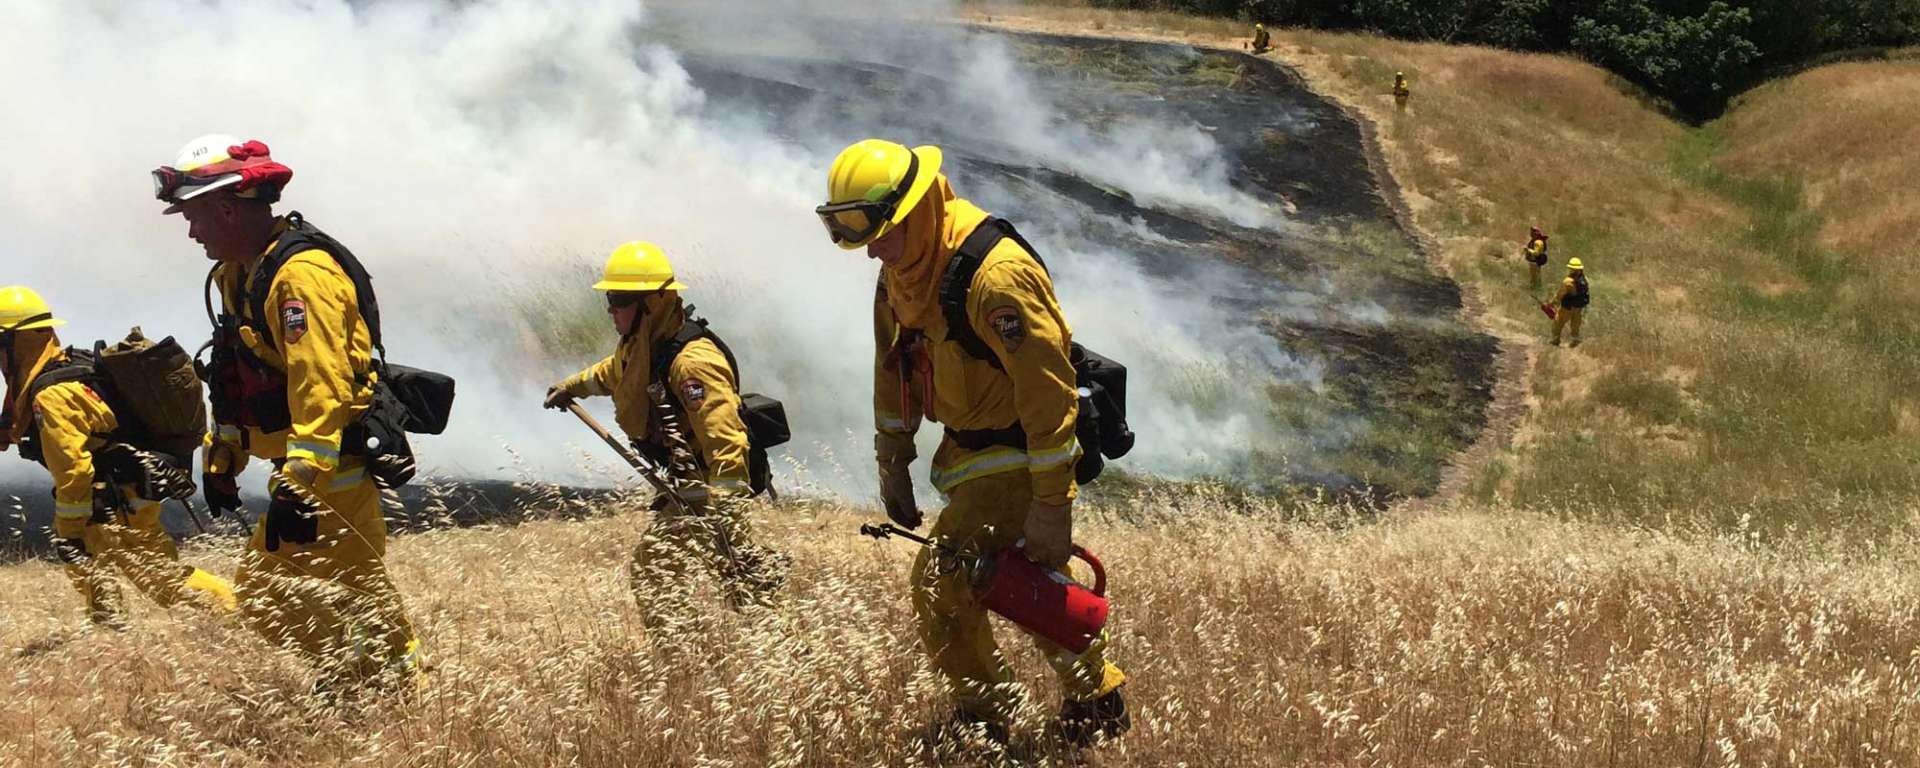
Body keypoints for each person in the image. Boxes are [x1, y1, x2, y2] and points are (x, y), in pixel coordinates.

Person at [816, 139, 1129, 748]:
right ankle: (1098, 696)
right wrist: (893, 464)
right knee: (1025, 582)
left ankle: (986, 719)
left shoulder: (995, 275)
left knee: (940, 583)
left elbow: (1048, 396)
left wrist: (1050, 505)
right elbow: (893, 370)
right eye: (860, 238)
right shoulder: (900, 274)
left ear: (920, 210)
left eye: (881, 234)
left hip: (1020, 450)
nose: (872, 250)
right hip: (966, 453)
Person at [155, 133, 421, 693]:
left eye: (194, 215)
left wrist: (300, 487)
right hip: (313, 476)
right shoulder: (240, 273)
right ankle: (375, 686)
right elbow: (234, 367)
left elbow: (319, 389)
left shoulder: (301, 277)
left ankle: (388, 692)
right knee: (336, 595)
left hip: (333, 475)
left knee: (294, 594)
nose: (190, 230)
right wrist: (223, 451)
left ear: (227, 207)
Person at [544, 242, 785, 624]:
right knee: (731, 576)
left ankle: (692, 658)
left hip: (710, 490)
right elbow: (613, 372)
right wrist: (571, 386)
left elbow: (725, 439)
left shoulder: (692, 362)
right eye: (610, 298)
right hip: (689, 484)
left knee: (659, 568)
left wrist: (724, 509)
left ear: (651, 303)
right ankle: (749, 638)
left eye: (620, 299)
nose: (611, 309)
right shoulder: (642, 346)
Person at [1, 287, 235, 628]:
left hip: (120, 500)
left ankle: (241, 614)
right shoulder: (59, 371)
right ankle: (110, 630)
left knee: (162, 579)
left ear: (17, 343)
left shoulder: (51, 396)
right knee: (89, 568)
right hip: (109, 497)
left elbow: (74, 473)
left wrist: (69, 532)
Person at [1551, 257, 1589, 346]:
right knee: (1575, 325)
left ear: (1571, 269)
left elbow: (1560, 294)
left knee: (1558, 322)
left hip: (1567, 307)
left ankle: (1555, 340)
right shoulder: (1584, 280)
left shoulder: (1568, 282)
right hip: (1578, 307)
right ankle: (1575, 341)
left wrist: (1553, 303)